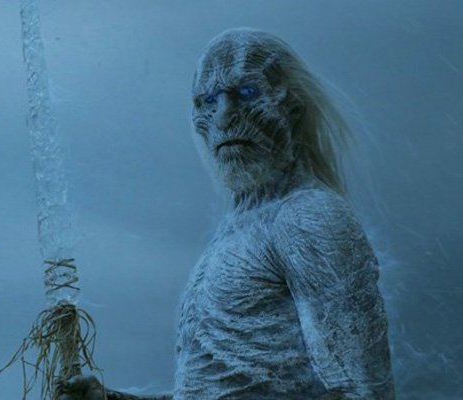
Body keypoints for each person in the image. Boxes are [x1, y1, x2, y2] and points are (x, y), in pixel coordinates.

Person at [62, 28, 395, 400]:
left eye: (247, 93)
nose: (223, 117)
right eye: (208, 101)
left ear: (293, 106)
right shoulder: (240, 229)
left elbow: (365, 392)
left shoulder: (309, 216)